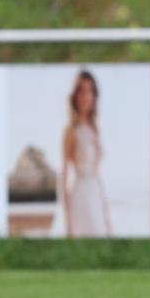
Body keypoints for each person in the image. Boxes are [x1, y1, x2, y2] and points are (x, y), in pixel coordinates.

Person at [61, 70, 112, 237]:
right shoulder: (71, 130)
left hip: (96, 195)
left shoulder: (94, 129)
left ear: (94, 96)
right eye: (82, 90)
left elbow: (97, 173)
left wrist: (106, 211)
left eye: (90, 91)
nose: (86, 96)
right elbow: (63, 176)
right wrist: (68, 221)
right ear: (75, 95)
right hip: (80, 198)